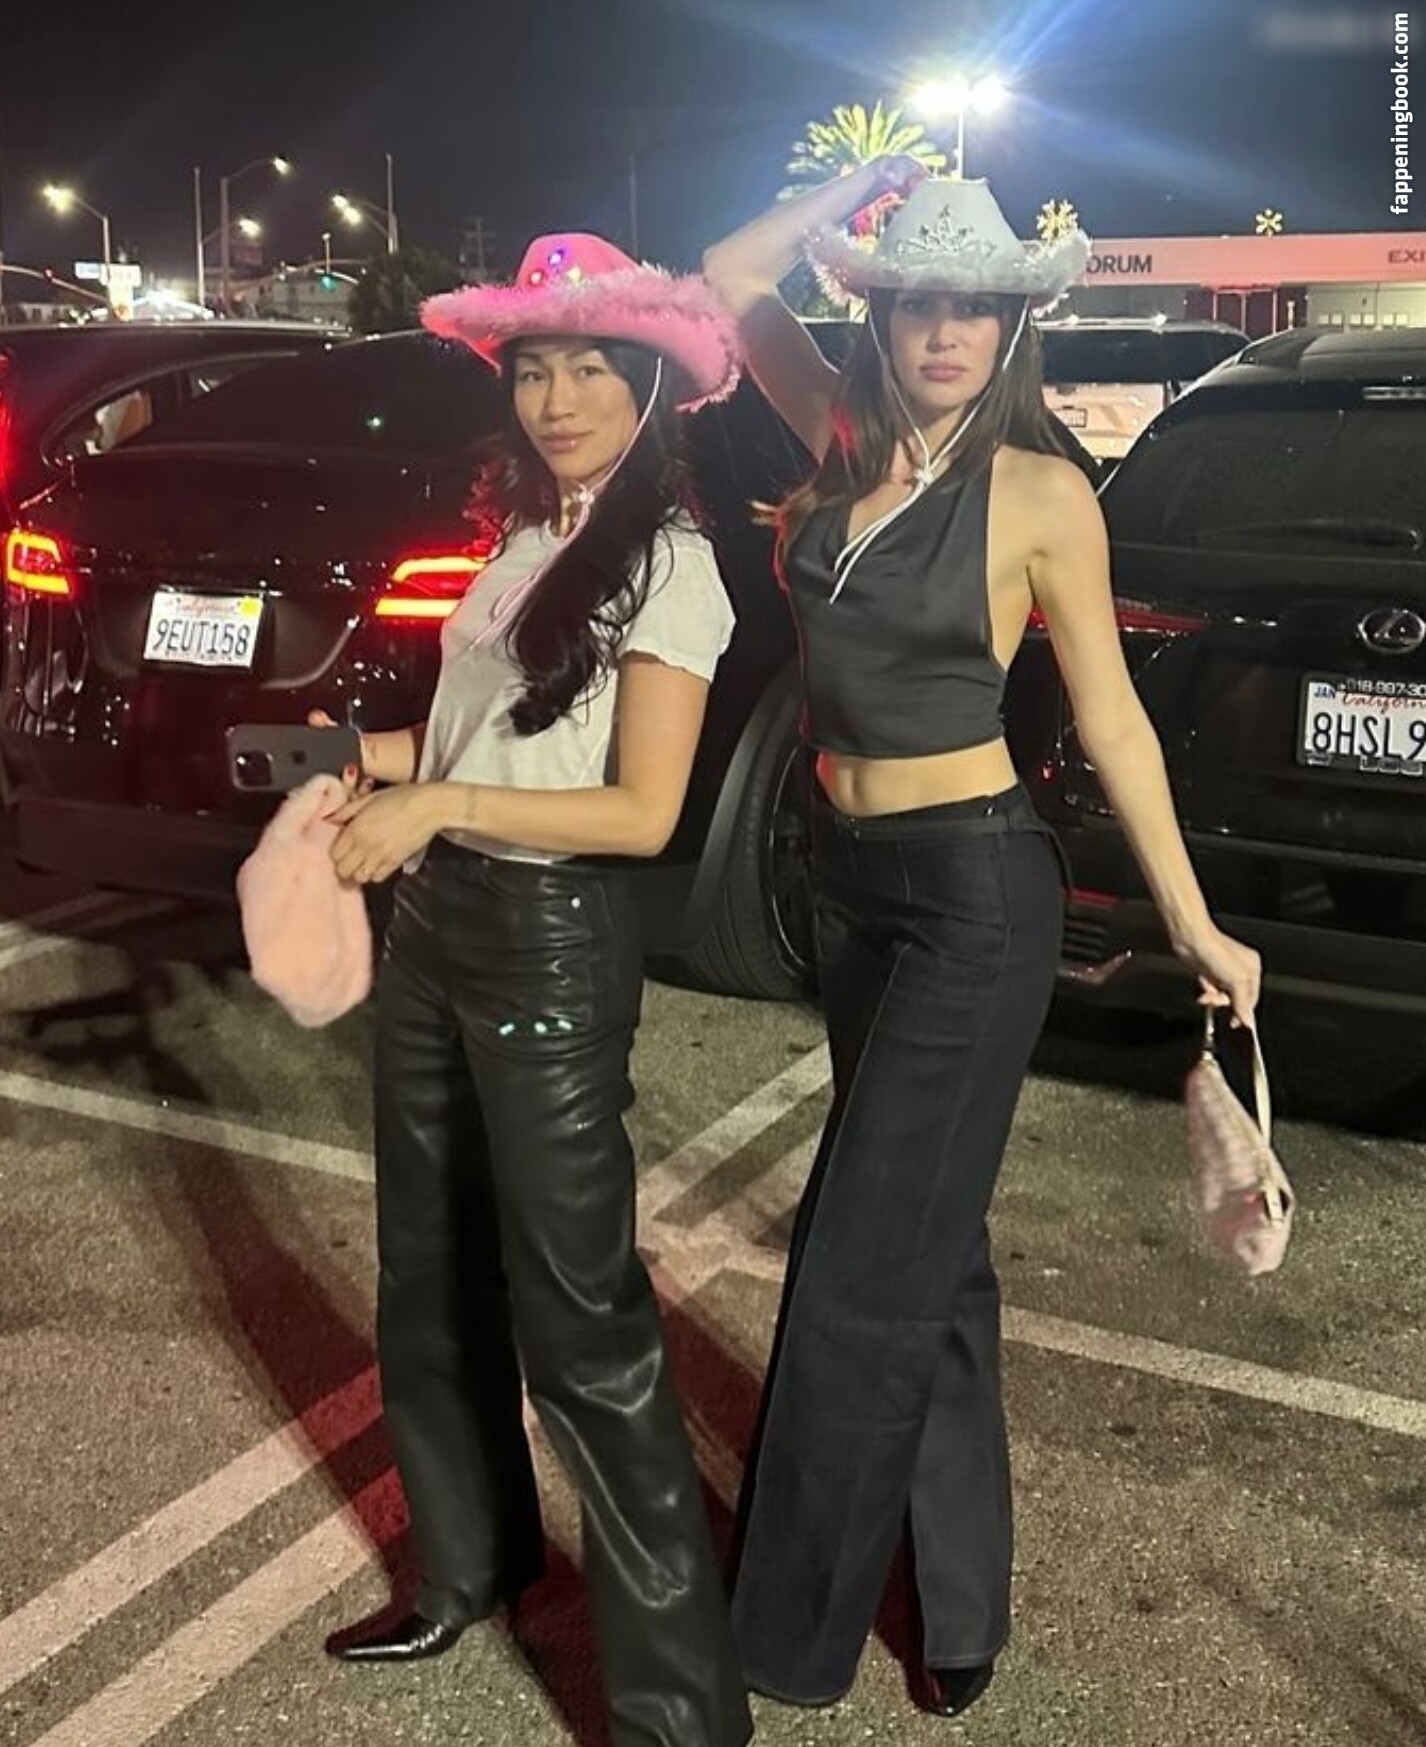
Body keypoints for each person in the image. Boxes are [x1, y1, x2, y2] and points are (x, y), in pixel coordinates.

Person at [702, 164, 1262, 1720]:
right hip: (847, 879)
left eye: (976, 306)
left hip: (970, 895)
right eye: (918, 302)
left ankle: (772, 1648)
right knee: (925, 1247)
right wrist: (855, 187)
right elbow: (728, 271)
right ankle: (959, 1595)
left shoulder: (1037, 492)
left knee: (852, 1263)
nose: (946, 331)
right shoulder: (835, 436)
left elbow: (1111, 721)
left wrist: (1188, 916)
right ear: (878, 316)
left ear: (1014, 324)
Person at [314, 231, 753, 1747]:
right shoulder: (521, 541)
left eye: (589, 370)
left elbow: (640, 812)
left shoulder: (670, 564)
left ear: (651, 386)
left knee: (581, 1320)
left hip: (552, 941)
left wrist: (435, 804)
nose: (557, 399)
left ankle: (679, 1707)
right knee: (427, 1273)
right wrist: (355, 763)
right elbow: (472, 744)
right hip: (436, 924)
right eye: (534, 371)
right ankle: (468, 1564)